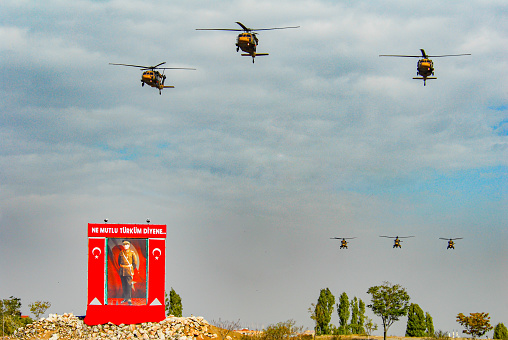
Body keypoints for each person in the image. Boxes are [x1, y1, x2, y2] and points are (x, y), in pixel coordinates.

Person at [118, 240, 138, 305]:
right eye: (124, 244)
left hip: (128, 270)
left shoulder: (132, 253)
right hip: (122, 270)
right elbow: (119, 262)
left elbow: (134, 263)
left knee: (129, 285)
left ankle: (129, 298)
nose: (125, 246)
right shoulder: (121, 253)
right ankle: (125, 298)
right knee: (124, 285)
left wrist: (131, 269)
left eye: (127, 244)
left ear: (129, 245)